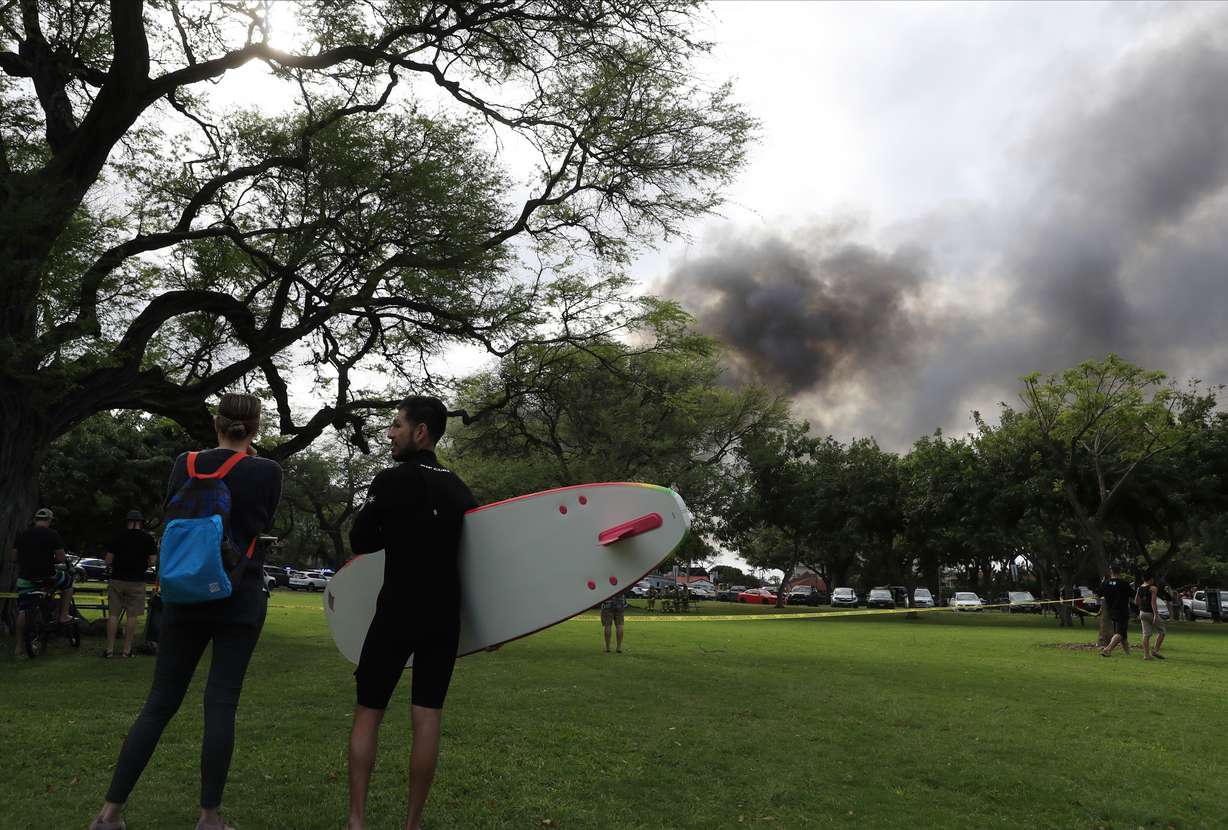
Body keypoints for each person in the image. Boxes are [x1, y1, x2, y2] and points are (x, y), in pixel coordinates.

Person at [91, 393, 282, 830]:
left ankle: (109, 814)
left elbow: (170, 508)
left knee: (159, 703)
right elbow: (263, 522)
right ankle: (209, 817)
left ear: (216, 423)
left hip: (183, 593)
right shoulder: (267, 471)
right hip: (238, 595)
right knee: (221, 703)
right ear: (256, 426)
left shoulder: (187, 463)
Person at [346, 396, 477, 830]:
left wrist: (384, 517)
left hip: (397, 610)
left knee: (369, 710)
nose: (390, 433)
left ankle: (357, 821)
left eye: (396, 425)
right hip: (442, 615)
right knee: (427, 717)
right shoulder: (460, 489)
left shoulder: (389, 480)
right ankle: (412, 825)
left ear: (420, 431)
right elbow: (476, 563)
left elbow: (361, 541)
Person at [13, 507, 75, 657]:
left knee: (23, 610)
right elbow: (60, 558)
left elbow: (14, 557)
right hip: (48, 576)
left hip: (26, 578)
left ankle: (19, 647)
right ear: (50, 521)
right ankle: (64, 615)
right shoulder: (52, 534)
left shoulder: (22, 534)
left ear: (35, 519)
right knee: (68, 582)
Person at [103, 510, 158, 658]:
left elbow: (108, 560)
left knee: (113, 615)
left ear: (127, 522)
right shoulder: (148, 539)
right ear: (141, 523)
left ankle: (109, 650)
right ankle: (127, 650)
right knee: (132, 616)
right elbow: (153, 561)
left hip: (117, 579)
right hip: (137, 581)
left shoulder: (118, 537)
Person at [1099, 562, 1134, 658]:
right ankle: (1107, 649)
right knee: (1120, 633)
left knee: (1122, 634)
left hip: (1111, 611)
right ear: (1120, 572)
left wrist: (1103, 582)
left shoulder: (1105, 583)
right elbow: (1133, 595)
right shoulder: (1124, 584)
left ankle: (1128, 654)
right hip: (1122, 611)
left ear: (1111, 571)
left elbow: (1099, 594)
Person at [1135, 573, 1167, 661]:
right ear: (1151, 579)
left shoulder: (1139, 588)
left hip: (1142, 613)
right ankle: (1156, 650)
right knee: (1162, 631)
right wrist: (1156, 615)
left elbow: (1136, 601)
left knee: (1146, 635)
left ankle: (1146, 655)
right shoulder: (1153, 588)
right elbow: (1153, 603)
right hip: (1150, 613)